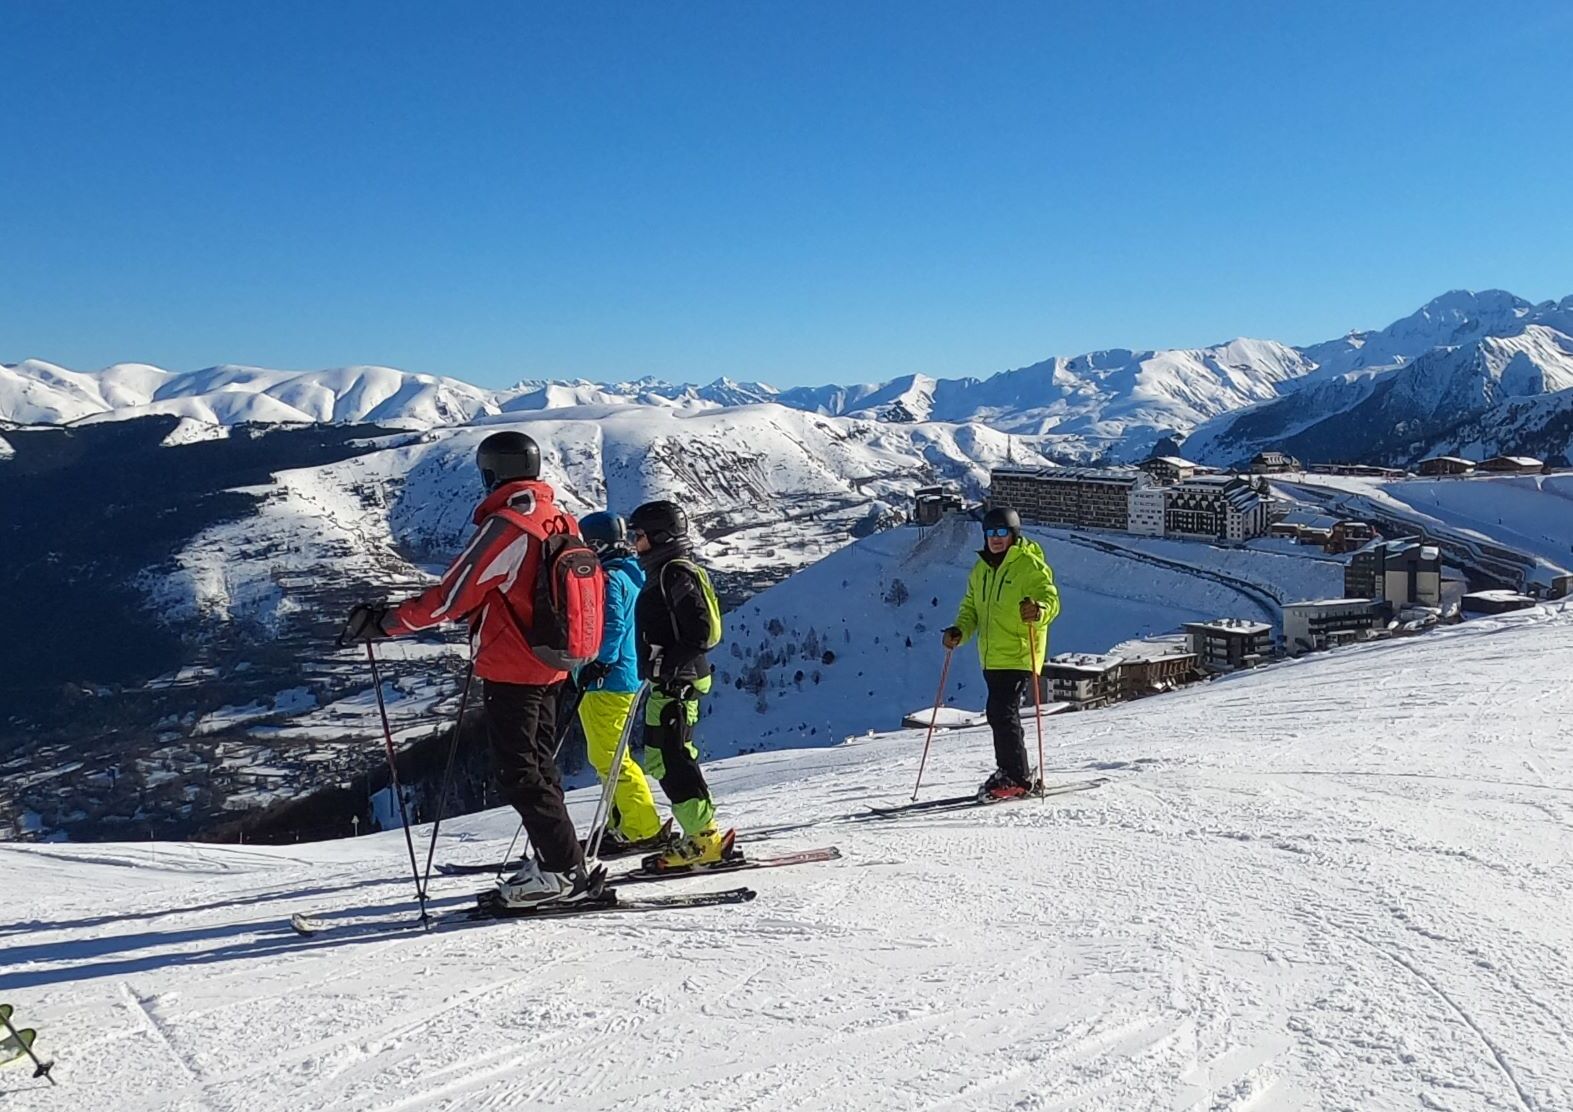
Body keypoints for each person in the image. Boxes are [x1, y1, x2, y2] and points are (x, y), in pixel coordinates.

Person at [339, 430, 606, 908]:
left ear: (491, 472)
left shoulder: (509, 527)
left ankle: (563, 874)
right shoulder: (561, 518)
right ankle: (560, 862)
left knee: (520, 771)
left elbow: (451, 596)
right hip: (555, 661)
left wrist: (384, 624)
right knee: (537, 767)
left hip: (514, 666)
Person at [627, 499, 728, 869]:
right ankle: (698, 832)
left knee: (674, 758)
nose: (634, 543)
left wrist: (668, 666)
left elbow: (702, 633)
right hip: (667, 682)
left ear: (660, 536)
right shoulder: (664, 572)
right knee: (660, 758)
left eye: (639, 536)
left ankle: (704, 838)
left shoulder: (673, 573)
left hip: (679, 682)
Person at [942, 505, 1061, 800]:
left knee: (1001, 712)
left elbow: (1050, 599)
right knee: (1000, 714)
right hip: (992, 655)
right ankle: (1012, 771)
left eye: (1002, 532)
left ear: (1013, 534)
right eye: (990, 533)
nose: (996, 538)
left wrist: (1039, 610)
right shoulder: (980, 569)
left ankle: (1016, 777)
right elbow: (970, 609)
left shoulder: (1028, 565)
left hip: (1020, 652)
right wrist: (960, 631)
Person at [574, 511, 671, 853]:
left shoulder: (608, 578)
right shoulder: (631, 574)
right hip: (624, 675)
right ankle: (622, 822)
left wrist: (598, 662)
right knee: (609, 756)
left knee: (610, 757)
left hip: (608, 680)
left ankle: (641, 827)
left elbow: (612, 625)